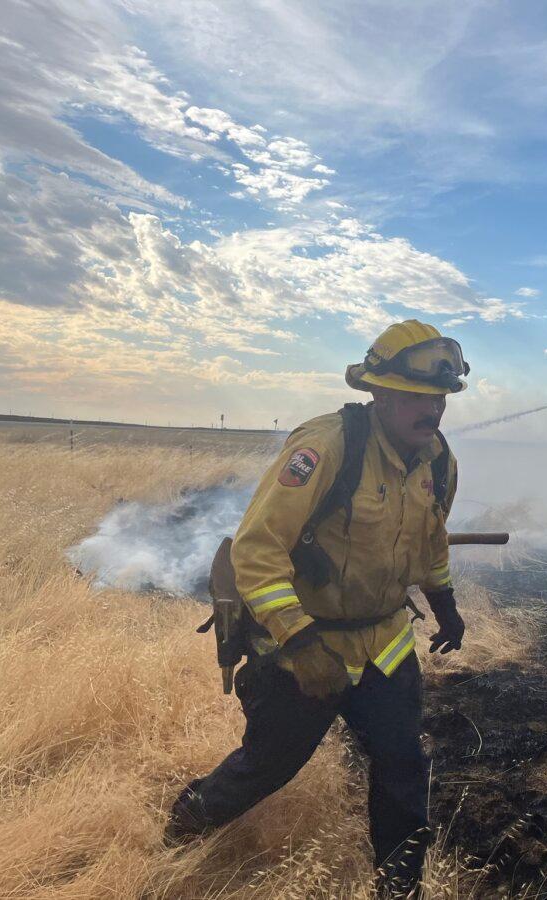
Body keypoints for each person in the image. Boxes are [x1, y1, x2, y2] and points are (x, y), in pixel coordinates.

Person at [164, 320, 469, 897]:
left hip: (385, 643)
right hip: (305, 647)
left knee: (404, 767)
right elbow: (256, 549)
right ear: (377, 392)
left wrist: (445, 605)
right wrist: (300, 644)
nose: (431, 410)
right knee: (268, 767)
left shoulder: (438, 461)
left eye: (440, 398)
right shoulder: (325, 448)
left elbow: (431, 543)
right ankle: (180, 830)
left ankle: (398, 887)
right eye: (415, 396)